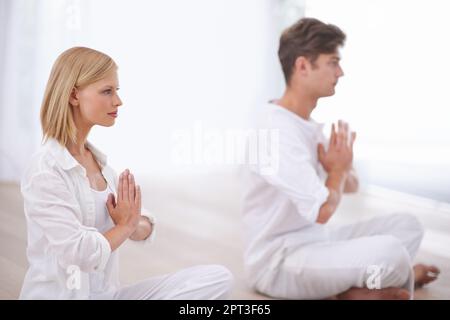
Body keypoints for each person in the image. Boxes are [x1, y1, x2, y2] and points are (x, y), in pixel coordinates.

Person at [241, 18, 439, 300]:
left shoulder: (305, 123)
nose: (341, 72)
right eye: (333, 62)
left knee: (407, 225)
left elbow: (350, 184)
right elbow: (323, 211)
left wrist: (341, 168)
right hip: (279, 262)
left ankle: (352, 289)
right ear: (302, 66)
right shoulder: (276, 132)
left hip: (316, 242)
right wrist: (338, 171)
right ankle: (362, 287)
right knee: (391, 252)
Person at [20, 47, 233, 299]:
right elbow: (77, 253)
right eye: (107, 91)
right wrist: (125, 226)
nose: (118, 101)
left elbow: (141, 223)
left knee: (218, 278)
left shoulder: (101, 166)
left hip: (109, 296)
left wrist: (132, 224)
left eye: (116, 91)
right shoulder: (46, 169)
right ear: (74, 95)